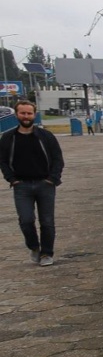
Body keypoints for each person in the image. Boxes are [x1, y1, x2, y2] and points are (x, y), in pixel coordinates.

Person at [0, 100, 64, 266]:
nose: (26, 116)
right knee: (26, 220)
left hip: (45, 185)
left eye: (29, 113)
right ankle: (34, 246)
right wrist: (12, 180)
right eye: (23, 113)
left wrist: (52, 179)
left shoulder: (46, 136)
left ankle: (47, 254)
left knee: (47, 221)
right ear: (16, 114)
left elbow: (58, 159)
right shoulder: (8, 138)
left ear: (34, 115)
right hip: (21, 186)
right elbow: (3, 161)